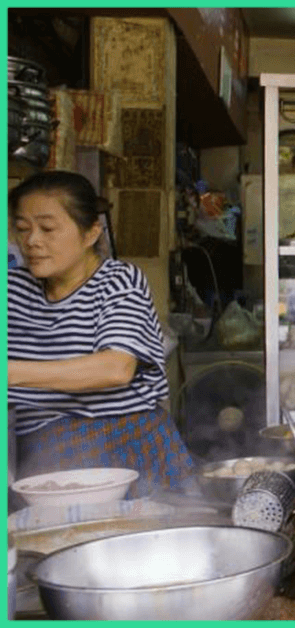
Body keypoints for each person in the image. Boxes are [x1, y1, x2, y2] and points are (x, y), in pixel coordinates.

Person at [7, 170, 195, 498]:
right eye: (23, 229)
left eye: (48, 229)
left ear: (91, 232)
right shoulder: (12, 288)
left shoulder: (118, 281)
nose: (32, 241)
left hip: (131, 444)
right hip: (45, 457)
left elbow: (116, 369)